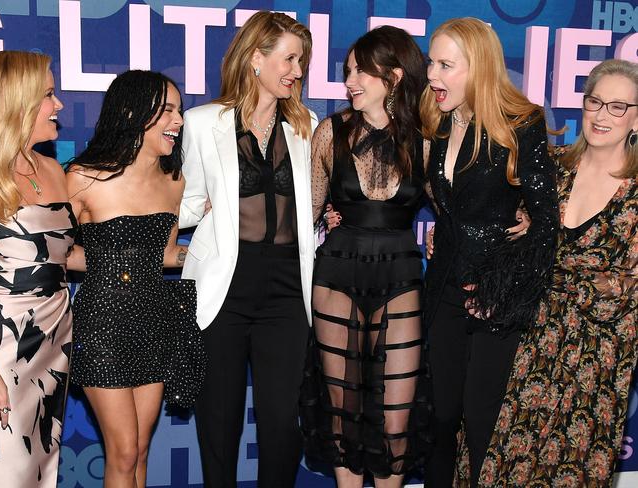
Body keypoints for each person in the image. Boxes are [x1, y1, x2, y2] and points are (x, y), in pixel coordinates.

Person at [463, 59, 638, 487]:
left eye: (618, 107)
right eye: (595, 102)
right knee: (491, 454)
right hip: (519, 338)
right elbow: (503, 231)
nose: (601, 115)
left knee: (565, 469)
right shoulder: (552, 167)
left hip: (592, 359)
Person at [419, 17, 560, 487]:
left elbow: (545, 222)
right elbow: (449, 205)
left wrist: (507, 289)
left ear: (477, 67)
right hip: (442, 289)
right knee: (440, 420)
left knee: (481, 425)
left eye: (445, 65)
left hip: (496, 300)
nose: (432, 76)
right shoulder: (436, 124)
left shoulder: (523, 124)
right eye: (431, 63)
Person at [178, 11, 316, 488]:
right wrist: (204, 207)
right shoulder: (201, 123)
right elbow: (183, 206)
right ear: (256, 58)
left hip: (286, 288)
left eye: (302, 60)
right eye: (290, 59)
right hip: (224, 286)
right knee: (218, 422)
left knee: (282, 424)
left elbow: (313, 201)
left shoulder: (306, 126)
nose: (298, 71)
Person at [300, 26, 432, 488]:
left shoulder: (426, 140)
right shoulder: (328, 133)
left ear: (394, 76)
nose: (350, 80)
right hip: (336, 274)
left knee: (395, 425)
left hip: (401, 277)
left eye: (361, 71)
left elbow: (459, 207)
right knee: (343, 416)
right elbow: (306, 216)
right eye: (348, 71)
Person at [66, 70, 190, 488]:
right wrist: (111, 262)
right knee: (121, 450)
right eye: (168, 110)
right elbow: (56, 251)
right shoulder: (84, 176)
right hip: (102, 324)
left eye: (180, 111)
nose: (179, 121)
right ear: (134, 112)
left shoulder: (174, 182)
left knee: (138, 451)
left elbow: (167, 255)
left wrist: (217, 247)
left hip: (154, 321)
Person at [0, 51, 74, 487]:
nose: (58, 105)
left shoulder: (52, 170)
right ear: (16, 102)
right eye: (48, 95)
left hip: (54, 341)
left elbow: (60, 256)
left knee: (40, 468)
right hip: (1, 348)